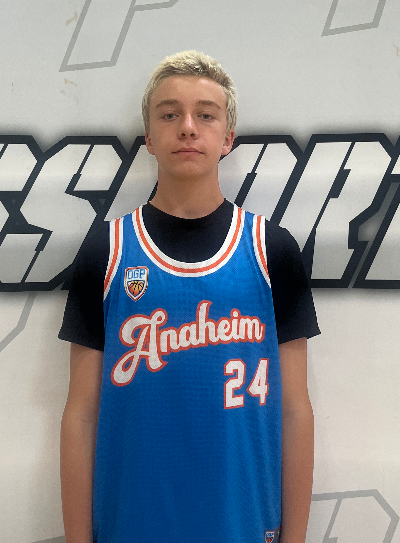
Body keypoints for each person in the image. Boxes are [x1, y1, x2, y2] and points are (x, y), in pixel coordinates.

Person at [59, 50, 319, 543]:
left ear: (228, 137)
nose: (187, 128)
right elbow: (81, 413)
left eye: (206, 114)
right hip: (131, 525)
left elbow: (294, 409)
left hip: (242, 525)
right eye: (169, 114)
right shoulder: (107, 250)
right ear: (149, 137)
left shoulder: (271, 249)